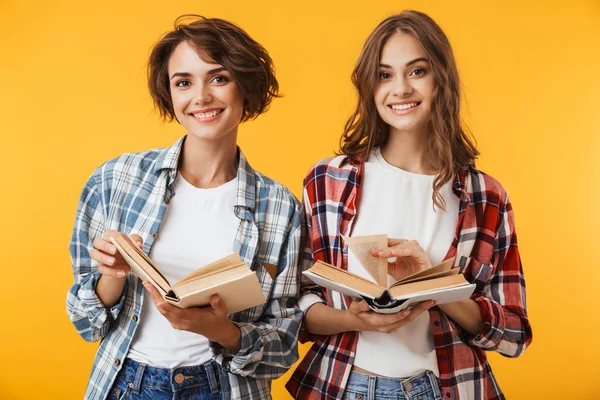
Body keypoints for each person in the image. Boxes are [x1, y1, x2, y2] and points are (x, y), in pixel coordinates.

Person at [287, 10, 532, 400]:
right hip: (342, 386)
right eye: (385, 75)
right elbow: (295, 303)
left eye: (416, 71)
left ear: (441, 80)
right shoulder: (326, 181)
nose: (400, 88)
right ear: (370, 86)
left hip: (444, 388)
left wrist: (436, 285)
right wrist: (353, 320)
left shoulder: (485, 197)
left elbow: (514, 335)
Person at [66, 15, 303, 400]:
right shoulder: (115, 180)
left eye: (219, 78)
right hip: (127, 385)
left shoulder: (280, 208)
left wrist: (218, 330)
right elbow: (85, 322)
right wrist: (111, 275)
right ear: (169, 94)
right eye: (184, 82)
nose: (201, 97)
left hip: (223, 388)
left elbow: (283, 346)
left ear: (245, 85)